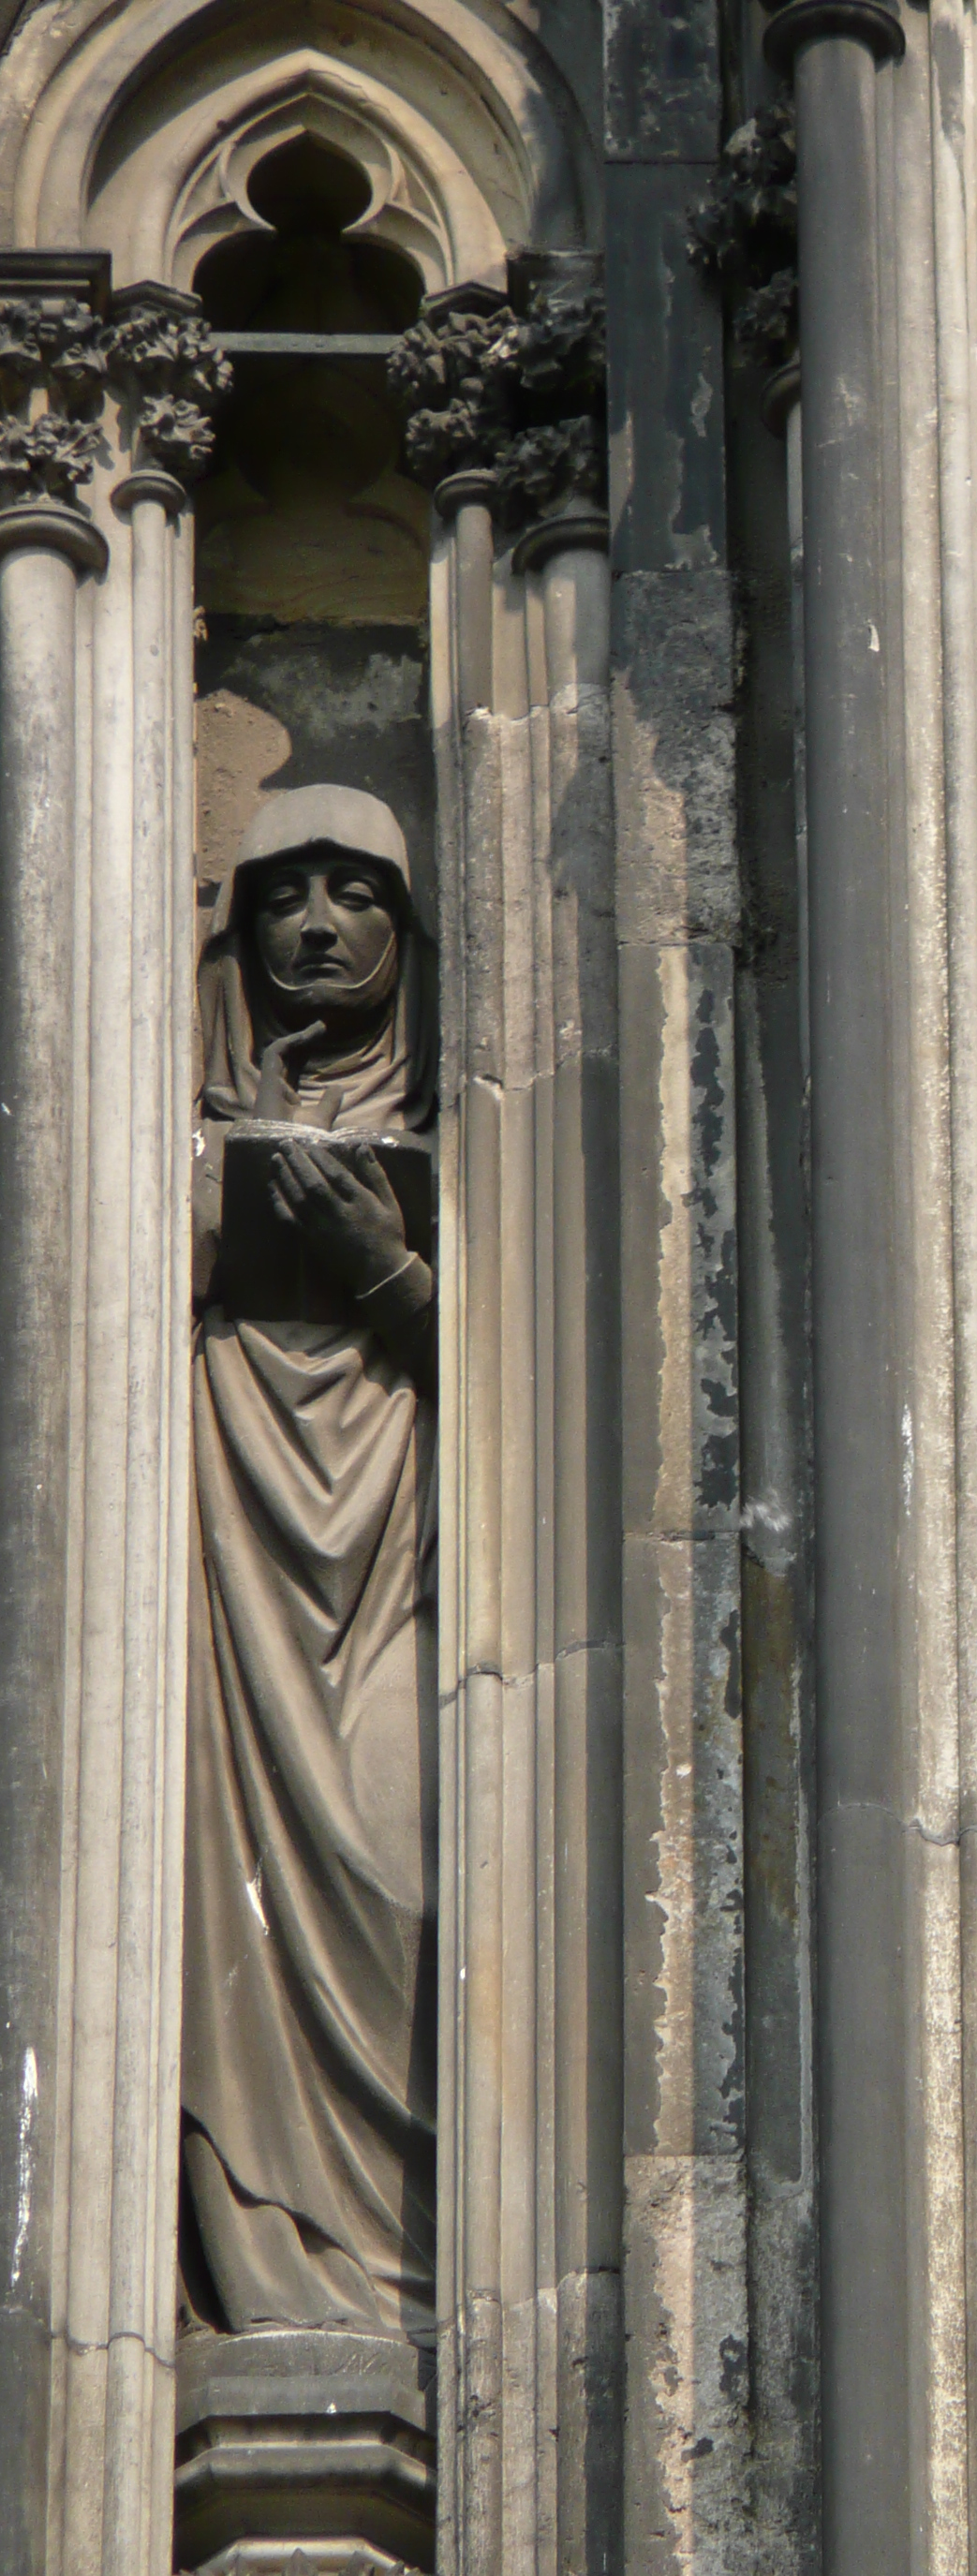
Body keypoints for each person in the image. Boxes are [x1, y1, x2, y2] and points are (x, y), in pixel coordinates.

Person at [182, 786, 437, 2340]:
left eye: (357, 898)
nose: (320, 928)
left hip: (400, 1569)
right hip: (235, 1574)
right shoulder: (197, 1125)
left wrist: (384, 1267)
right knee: (246, 1901)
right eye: (285, 897)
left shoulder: (484, 1128)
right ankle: (283, 2278)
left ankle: (390, 2263)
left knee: (398, 1871)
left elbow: (573, 1409)